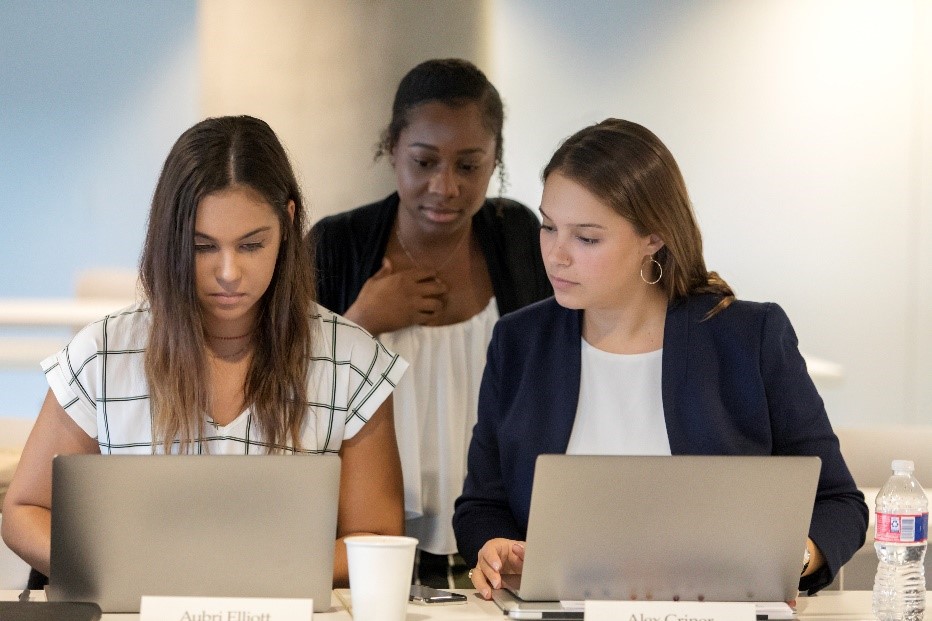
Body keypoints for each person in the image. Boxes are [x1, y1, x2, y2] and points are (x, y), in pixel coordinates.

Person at [452, 118, 868, 598]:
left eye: (586, 238)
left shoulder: (749, 336)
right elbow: (482, 505)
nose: (556, 255)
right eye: (548, 227)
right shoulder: (519, 341)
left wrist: (789, 557)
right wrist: (493, 544)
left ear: (653, 237)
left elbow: (839, 503)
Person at [1, 115, 407, 588]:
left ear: (289, 222)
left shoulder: (351, 362)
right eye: (202, 247)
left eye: (252, 245)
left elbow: (375, 535)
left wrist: (232, 576)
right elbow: (25, 510)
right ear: (170, 238)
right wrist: (122, 573)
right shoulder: (103, 355)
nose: (229, 272)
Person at [309, 58, 551, 588]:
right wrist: (361, 321)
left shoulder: (518, 238)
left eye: (468, 166)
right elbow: (288, 399)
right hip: (367, 549)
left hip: (498, 546)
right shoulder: (338, 244)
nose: (444, 187)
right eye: (424, 162)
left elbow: (556, 368)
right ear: (392, 148)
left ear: (495, 161)